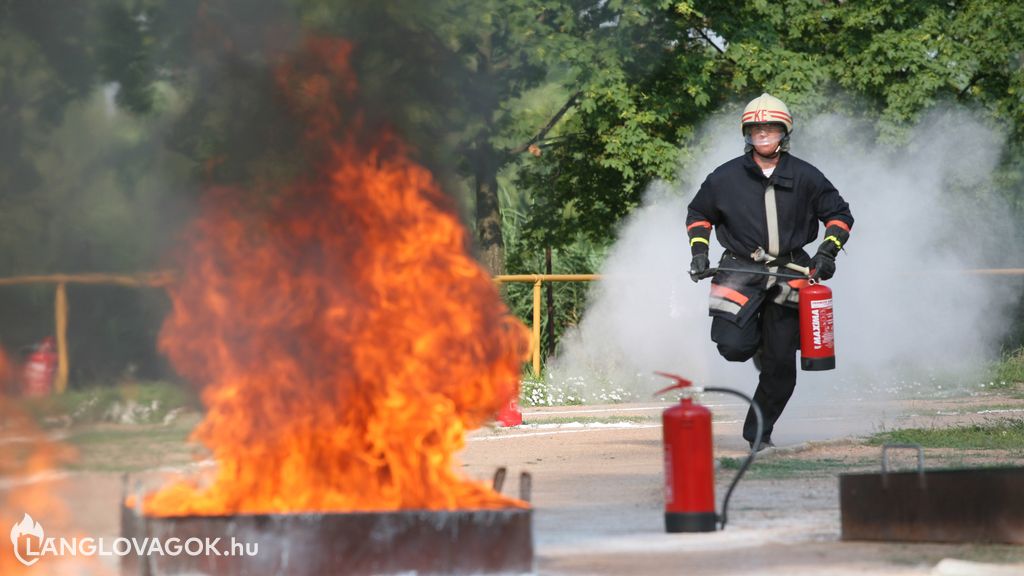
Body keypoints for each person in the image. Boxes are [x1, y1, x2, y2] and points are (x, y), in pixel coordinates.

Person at [685, 93, 854, 451]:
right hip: (740, 272)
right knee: (731, 346)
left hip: (790, 275)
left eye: (770, 127)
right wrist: (699, 253)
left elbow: (840, 215)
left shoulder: (807, 175)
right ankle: (758, 342)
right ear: (747, 132)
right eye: (756, 128)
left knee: (780, 369)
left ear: (784, 132)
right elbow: (698, 215)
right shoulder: (724, 177)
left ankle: (758, 434)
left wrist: (827, 253)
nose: (763, 134)